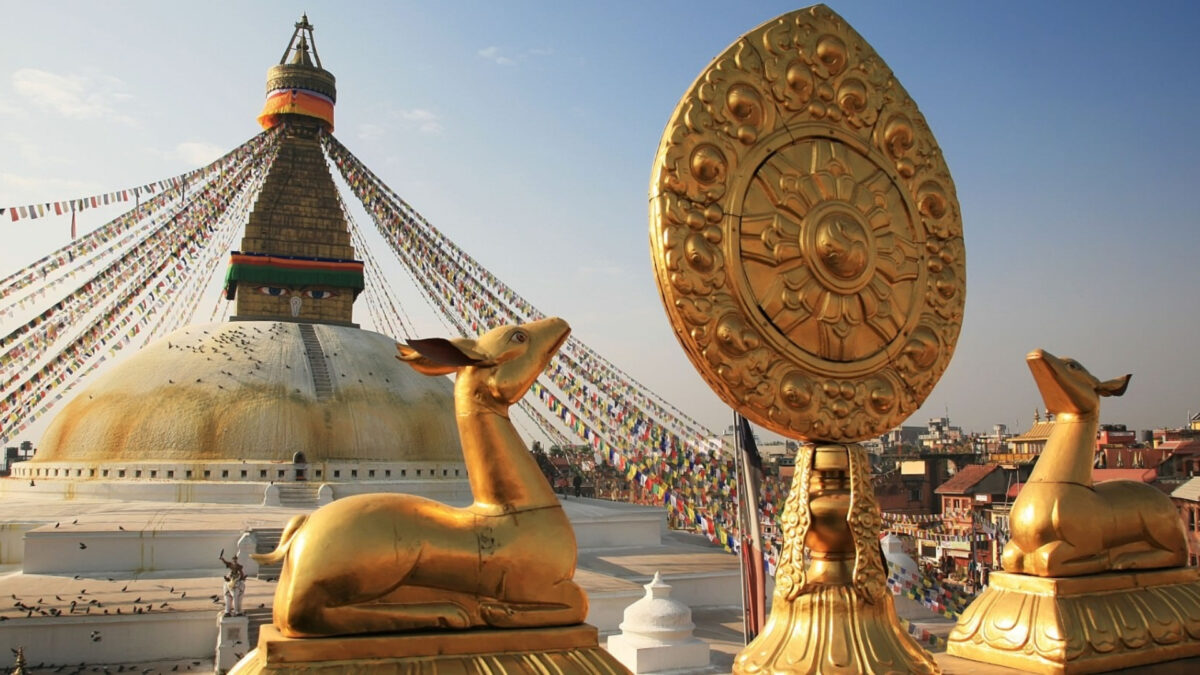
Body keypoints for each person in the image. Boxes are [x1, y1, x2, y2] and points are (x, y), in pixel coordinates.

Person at [219, 550, 247, 616]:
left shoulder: (239, 566)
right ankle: (228, 610)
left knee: (237, 596)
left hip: (237, 580)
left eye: (235, 560)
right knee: (229, 596)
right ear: (232, 560)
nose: (234, 561)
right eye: (234, 560)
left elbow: (241, 572)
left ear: (236, 560)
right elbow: (225, 562)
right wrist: (222, 558)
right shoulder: (230, 564)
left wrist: (242, 578)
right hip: (230, 580)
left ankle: (237, 610)